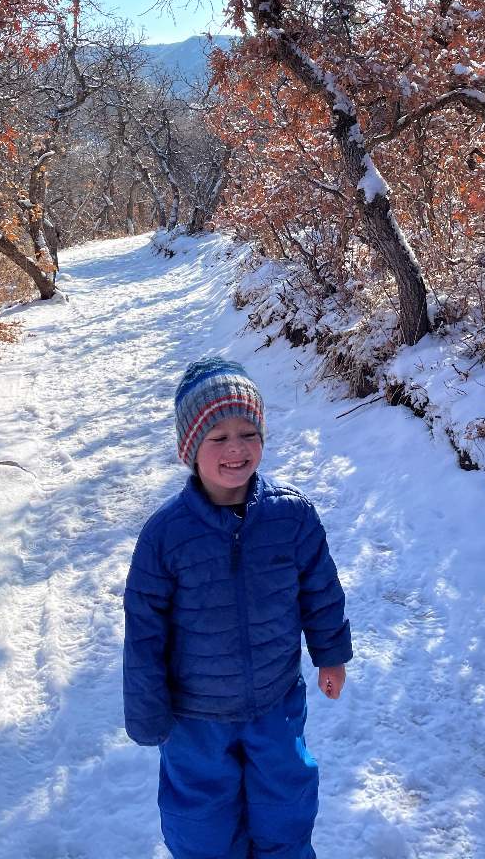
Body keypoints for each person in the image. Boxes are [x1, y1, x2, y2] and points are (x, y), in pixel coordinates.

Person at [123, 356, 352, 859]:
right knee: (201, 823)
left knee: (285, 804)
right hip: (194, 717)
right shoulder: (166, 535)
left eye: (248, 432)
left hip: (275, 701)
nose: (236, 449)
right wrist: (146, 709)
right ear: (190, 449)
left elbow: (320, 589)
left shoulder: (290, 515)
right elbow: (143, 630)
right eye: (217, 437)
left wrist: (330, 654)